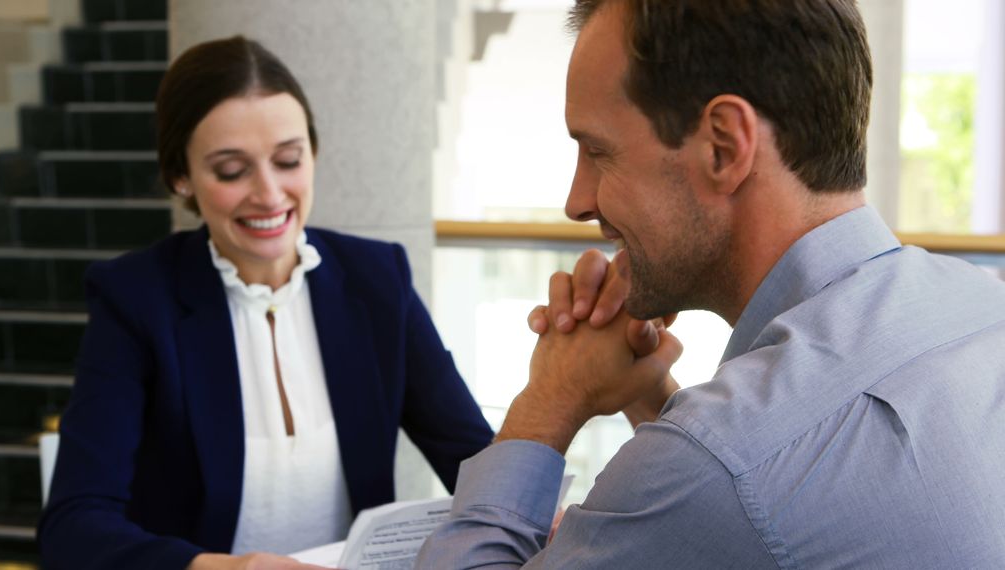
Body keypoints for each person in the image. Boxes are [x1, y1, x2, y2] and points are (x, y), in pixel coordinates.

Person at [418, 0, 1005, 567]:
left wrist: (549, 401)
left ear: (724, 146)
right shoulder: (981, 306)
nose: (577, 201)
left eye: (599, 151)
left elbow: (731, 481)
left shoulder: (717, 463)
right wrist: (653, 398)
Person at [37, 36, 493, 570]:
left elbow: (472, 460)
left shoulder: (376, 279)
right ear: (181, 177)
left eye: (288, 160)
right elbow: (73, 529)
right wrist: (229, 569)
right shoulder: (136, 300)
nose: (270, 193)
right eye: (232, 170)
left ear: (313, 154)